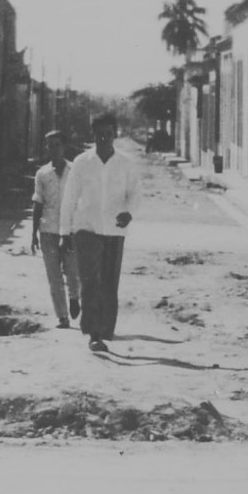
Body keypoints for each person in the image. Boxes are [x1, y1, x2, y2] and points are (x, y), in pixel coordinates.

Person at [58, 113, 141, 353]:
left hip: (115, 230)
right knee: (90, 282)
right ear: (92, 135)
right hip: (87, 228)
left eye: (108, 133)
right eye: (99, 134)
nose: (103, 138)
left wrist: (129, 212)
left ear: (115, 134)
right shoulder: (82, 163)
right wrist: (65, 232)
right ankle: (94, 334)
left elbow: (135, 194)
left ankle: (104, 331)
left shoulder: (125, 164)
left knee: (109, 284)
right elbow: (70, 198)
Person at [30, 130, 82, 329]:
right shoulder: (42, 174)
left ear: (64, 146)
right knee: (53, 276)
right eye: (49, 146)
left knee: (72, 271)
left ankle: (74, 297)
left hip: (71, 230)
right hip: (48, 230)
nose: (53, 149)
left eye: (57, 145)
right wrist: (34, 233)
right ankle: (62, 316)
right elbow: (38, 203)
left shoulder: (75, 171)